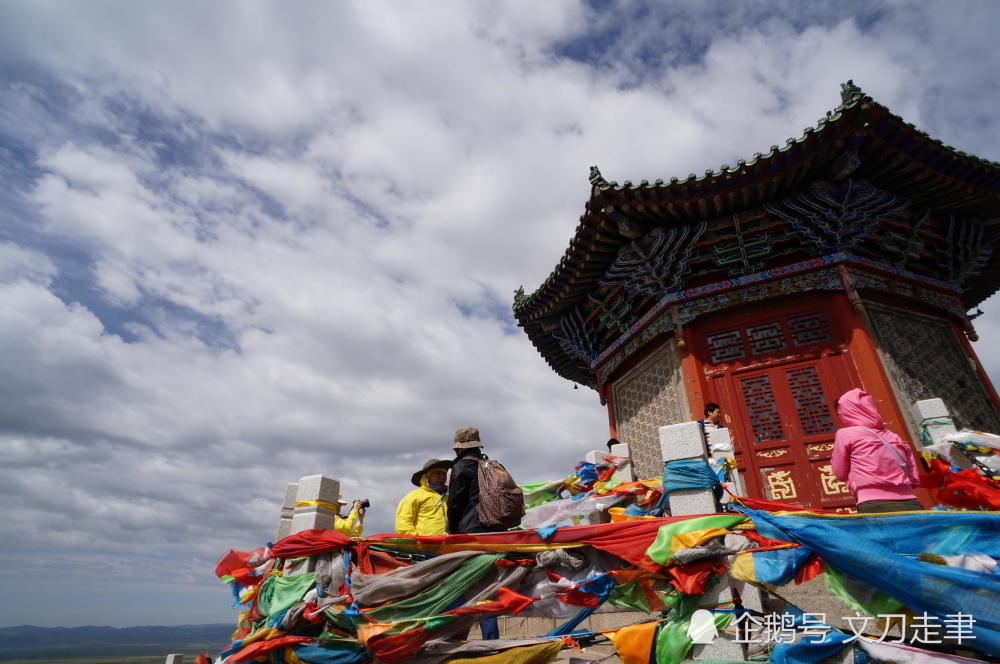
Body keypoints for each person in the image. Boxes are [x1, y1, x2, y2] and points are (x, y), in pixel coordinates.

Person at [446, 426, 499, 640]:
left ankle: (456, 638)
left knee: (460, 586)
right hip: (494, 532)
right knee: (486, 589)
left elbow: (455, 505)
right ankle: (491, 640)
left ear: (458, 448)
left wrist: (451, 529)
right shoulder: (490, 465)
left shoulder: (460, 468)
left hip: (469, 534)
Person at [832, 388, 923, 513]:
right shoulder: (893, 435)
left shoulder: (846, 434)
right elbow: (914, 478)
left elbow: (839, 473)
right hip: (911, 503)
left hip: (873, 503)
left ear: (846, 412)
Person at [395, 458, 451, 535]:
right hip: (423, 545)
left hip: (447, 544)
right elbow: (403, 524)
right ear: (427, 476)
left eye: (444, 474)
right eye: (438, 473)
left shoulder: (449, 497)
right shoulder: (414, 496)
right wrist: (418, 541)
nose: (442, 477)